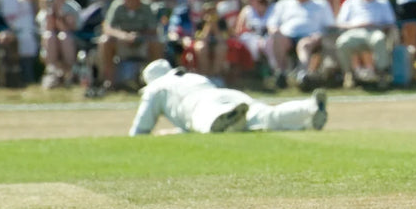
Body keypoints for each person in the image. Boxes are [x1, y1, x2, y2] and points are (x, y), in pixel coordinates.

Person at [129, 59, 328, 136]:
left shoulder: (155, 88)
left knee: (209, 125)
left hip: (201, 106)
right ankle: (309, 108)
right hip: (226, 93)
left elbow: (140, 129)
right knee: (268, 115)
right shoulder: (190, 76)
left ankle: (230, 120)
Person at [266, 0, 335, 88]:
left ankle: (302, 75)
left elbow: (329, 25)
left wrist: (319, 35)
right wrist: (274, 30)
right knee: (276, 37)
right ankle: (281, 74)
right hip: (287, 36)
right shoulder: (284, 3)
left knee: (304, 45)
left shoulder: (321, 4)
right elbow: (272, 23)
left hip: (311, 38)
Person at [334, 0, 397, 87]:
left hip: (375, 32)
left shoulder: (382, 2)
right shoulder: (349, 3)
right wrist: (356, 25)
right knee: (342, 43)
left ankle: (382, 74)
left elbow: (390, 23)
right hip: (353, 32)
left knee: (379, 39)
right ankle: (349, 74)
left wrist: (376, 25)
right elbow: (340, 24)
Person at [98, 0, 164, 91]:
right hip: (121, 41)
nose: (134, 0)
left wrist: (138, 35)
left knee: (157, 42)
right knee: (105, 41)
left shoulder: (146, 6)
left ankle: (157, 82)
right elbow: (107, 27)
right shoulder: (117, 6)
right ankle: (109, 81)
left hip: (143, 40)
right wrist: (124, 36)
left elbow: (153, 29)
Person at [37, 0, 82, 89]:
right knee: (50, 36)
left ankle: (70, 72)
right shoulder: (45, 9)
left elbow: (67, 28)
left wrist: (60, 14)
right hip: (52, 41)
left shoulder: (71, 7)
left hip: (72, 39)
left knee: (64, 36)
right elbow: (48, 28)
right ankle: (52, 72)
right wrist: (52, 12)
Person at [233, 0, 273, 69]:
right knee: (247, 39)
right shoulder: (247, 11)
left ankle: (274, 70)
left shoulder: (272, 9)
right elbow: (238, 31)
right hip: (252, 39)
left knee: (270, 42)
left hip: (268, 39)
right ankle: (252, 67)